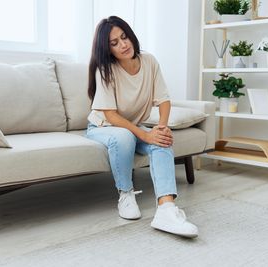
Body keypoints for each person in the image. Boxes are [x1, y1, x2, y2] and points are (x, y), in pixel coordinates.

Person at [86, 16, 198, 238]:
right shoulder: (105, 69)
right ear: (107, 49)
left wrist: (162, 128)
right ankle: (125, 194)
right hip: (103, 126)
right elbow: (110, 114)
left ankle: (166, 209)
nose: (123, 45)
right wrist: (145, 136)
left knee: (161, 140)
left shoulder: (149, 61)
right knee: (125, 137)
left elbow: (164, 99)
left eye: (124, 37)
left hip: (132, 125)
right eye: (114, 43)